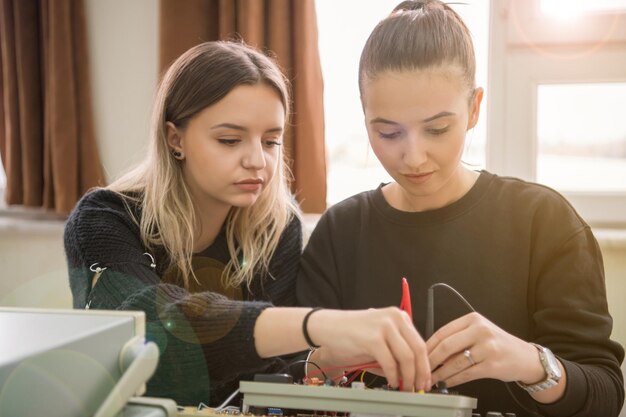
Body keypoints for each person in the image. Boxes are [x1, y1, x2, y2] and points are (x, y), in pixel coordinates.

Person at [296, 1, 625, 416]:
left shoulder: (545, 223)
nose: (413, 157)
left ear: (474, 109)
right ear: (365, 120)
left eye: (437, 129)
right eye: (388, 132)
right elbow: (287, 378)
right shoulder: (340, 233)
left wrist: (528, 362)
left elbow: (605, 396)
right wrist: (323, 363)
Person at [64, 41, 431, 407]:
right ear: (175, 138)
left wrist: (322, 361)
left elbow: (266, 372)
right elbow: (147, 329)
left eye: (271, 141)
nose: (258, 161)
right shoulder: (103, 219)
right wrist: (318, 324)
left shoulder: (276, 228)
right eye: (230, 140)